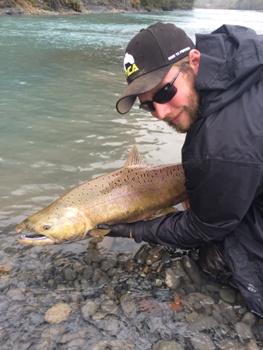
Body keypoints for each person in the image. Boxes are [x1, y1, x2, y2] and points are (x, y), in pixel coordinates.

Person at [99, 22, 263, 317]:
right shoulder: (239, 50)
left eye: (164, 93)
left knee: (214, 259)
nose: (160, 113)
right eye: (147, 106)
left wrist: (134, 230)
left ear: (195, 61)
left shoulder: (219, 145)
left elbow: (204, 226)